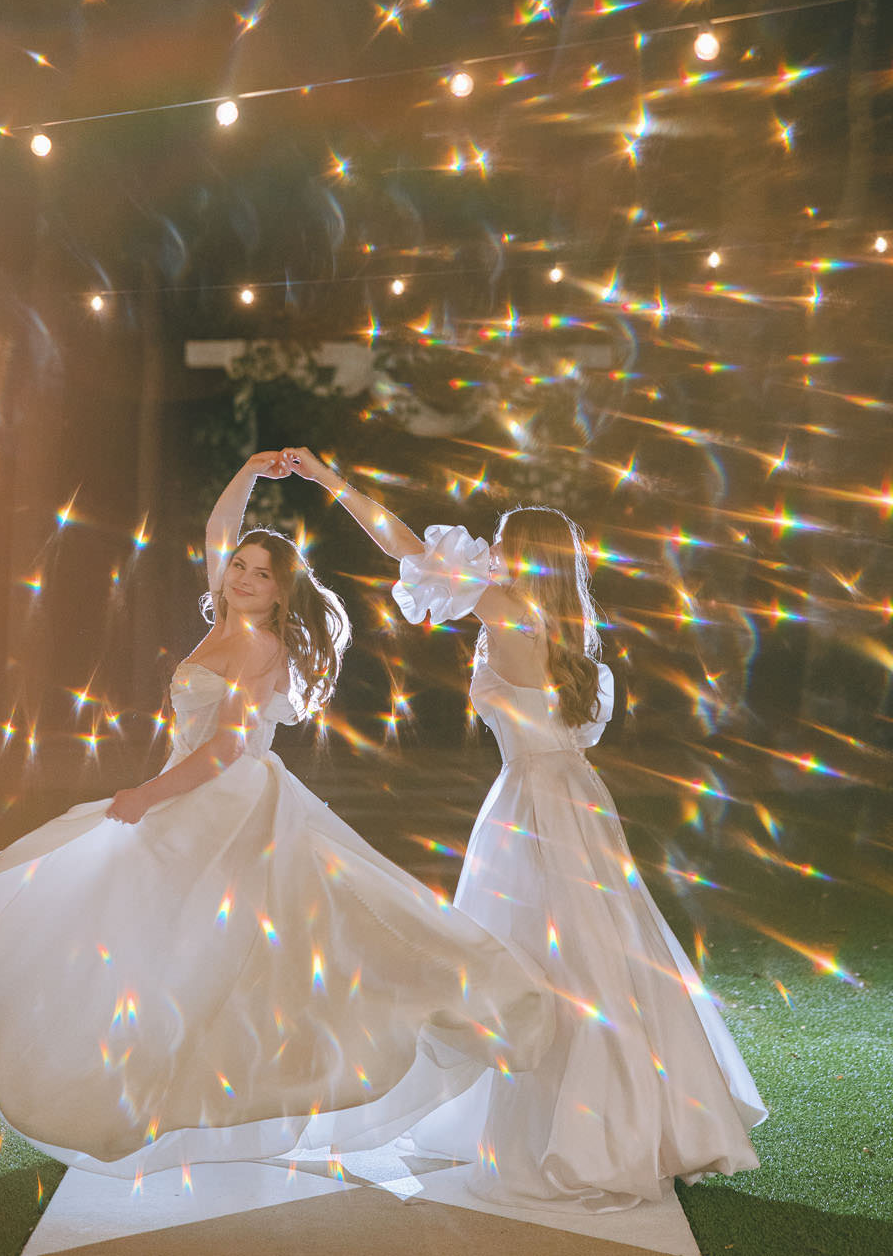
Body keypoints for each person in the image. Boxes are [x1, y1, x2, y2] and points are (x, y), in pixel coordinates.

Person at [0, 452, 553, 1179]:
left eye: (260, 574)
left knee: (202, 931)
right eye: (240, 566)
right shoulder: (225, 608)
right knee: (115, 909)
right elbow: (217, 527)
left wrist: (150, 796)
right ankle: (105, 1056)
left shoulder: (262, 645)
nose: (241, 576)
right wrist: (247, 469)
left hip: (221, 800)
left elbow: (227, 750)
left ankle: (186, 1074)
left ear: (281, 592)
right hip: (191, 791)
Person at [282, 445, 767, 1212]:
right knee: (601, 959)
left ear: (527, 559)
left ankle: (583, 1131)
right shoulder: (569, 627)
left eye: (504, 545)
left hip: (537, 808)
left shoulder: (509, 611)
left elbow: (407, 547)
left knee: (545, 963)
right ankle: (633, 1117)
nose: (491, 554)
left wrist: (335, 481)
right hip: (573, 798)